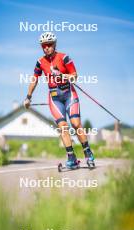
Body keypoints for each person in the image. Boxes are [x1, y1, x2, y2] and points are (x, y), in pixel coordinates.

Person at [24, 32, 95, 169]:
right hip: (54, 97)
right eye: (43, 46)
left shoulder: (64, 57)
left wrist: (62, 75)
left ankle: (87, 152)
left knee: (75, 123)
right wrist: (28, 97)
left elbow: (75, 76)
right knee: (63, 127)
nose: (46, 48)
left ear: (54, 45)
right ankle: (71, 157)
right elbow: (35, 79)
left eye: (49, 45)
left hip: (69, 95)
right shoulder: (40, 62)